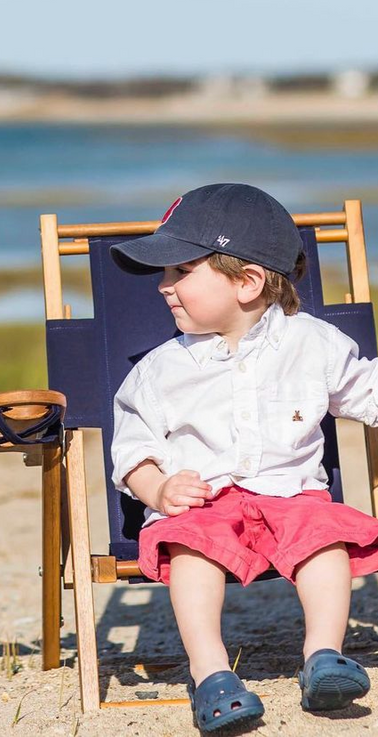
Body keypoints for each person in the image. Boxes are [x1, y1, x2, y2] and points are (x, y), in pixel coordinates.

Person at [110, 183, 378, 733]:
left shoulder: (314, 344)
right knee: (191, 550)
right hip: (206, 503)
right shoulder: (159, 369)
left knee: (325, 538)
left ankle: (323, 657)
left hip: (293, 496)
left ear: (248, 282)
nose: (163, 288)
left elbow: (367, 391)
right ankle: (210, 672)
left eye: (179, 272)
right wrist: (158, 490)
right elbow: (132, 446)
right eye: (163, 275)